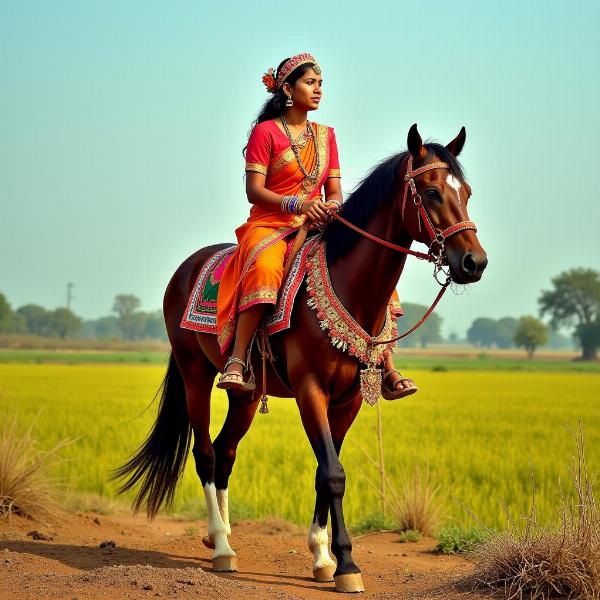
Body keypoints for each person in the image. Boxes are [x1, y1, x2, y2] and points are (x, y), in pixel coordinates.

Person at [215, 53, 416, 398]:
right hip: (272, 224)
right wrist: (299, 204)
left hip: (321, 223)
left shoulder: (326, 135)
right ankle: (238, 359)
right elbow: (254, 191)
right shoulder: (266, 133)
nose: (318, 90)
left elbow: (335, 191)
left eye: (321, 83)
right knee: (264, 269)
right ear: (288, 90)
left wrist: (331, 207)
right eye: (310, 83)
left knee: (371, 270)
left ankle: (387, 365)